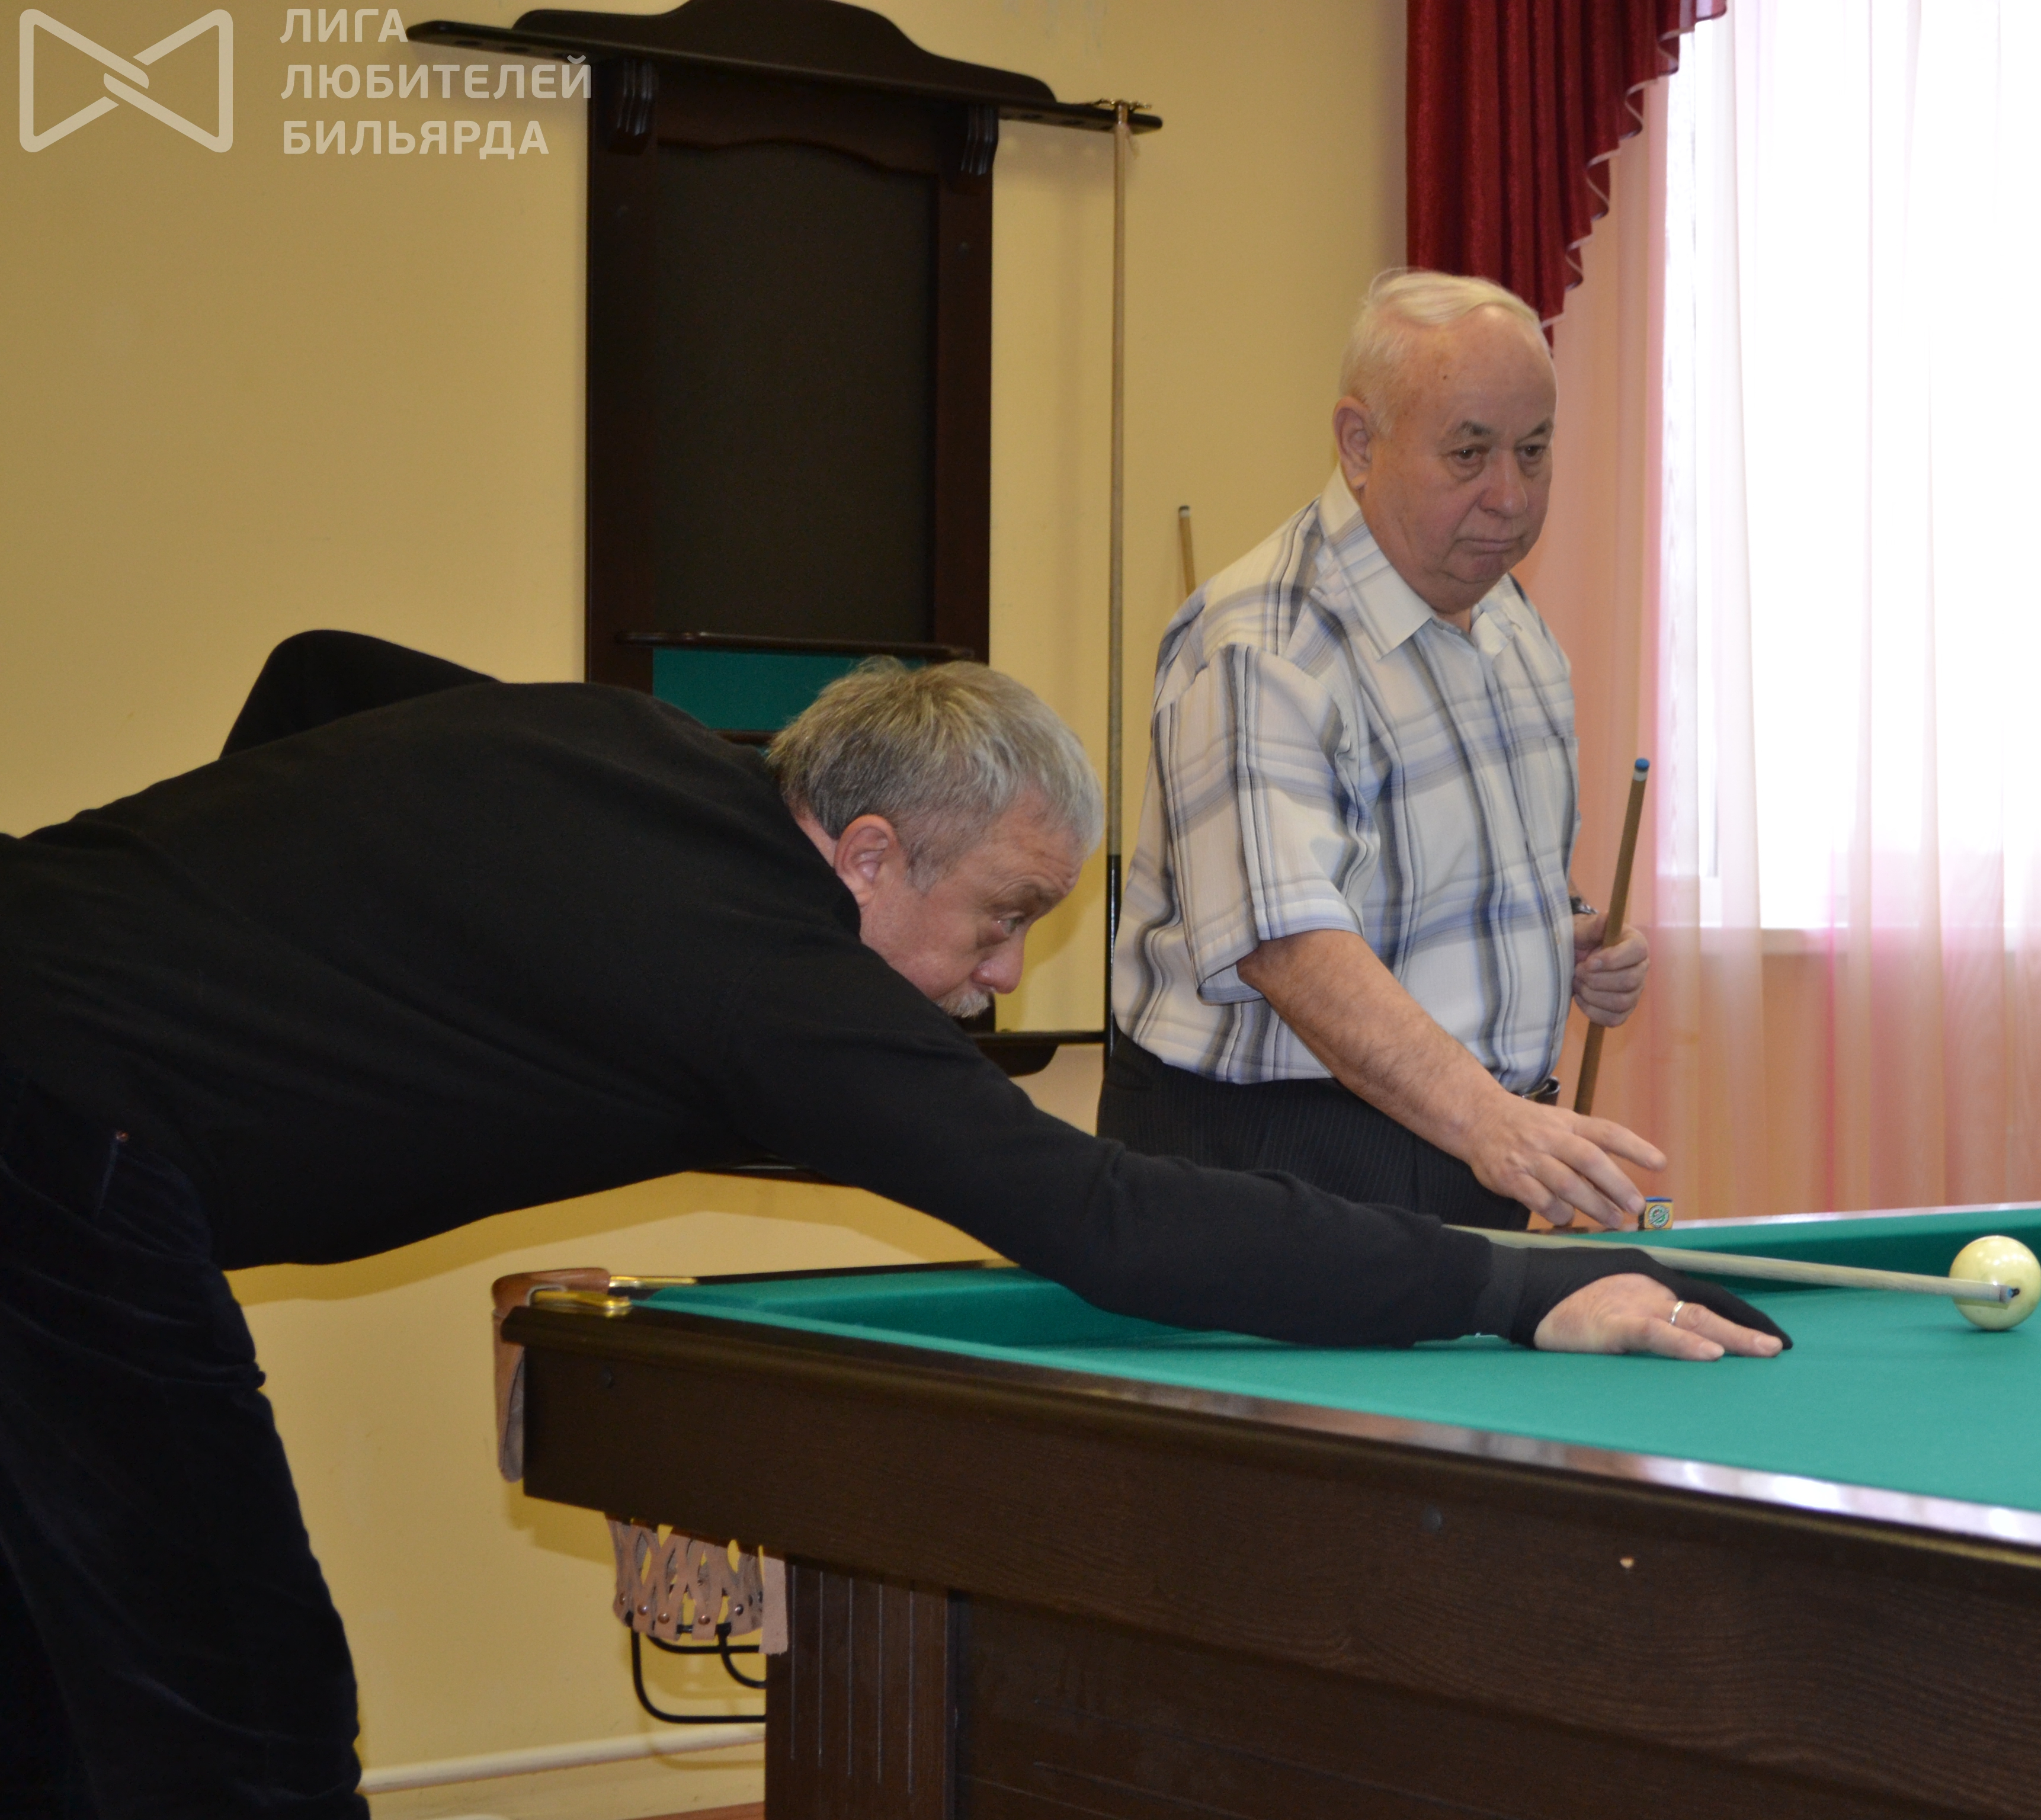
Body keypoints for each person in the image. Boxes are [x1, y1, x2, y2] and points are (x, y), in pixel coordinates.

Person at [0, 631, 1784, 1818]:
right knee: (236, 1715)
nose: (1002, 975)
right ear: (863, 849)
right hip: (57, 1129)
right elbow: (1101, 1217)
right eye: (1001, 917)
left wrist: (260, 943)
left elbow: (321, 674)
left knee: (54, 1680)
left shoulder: (628, 744)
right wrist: (1511, 1284)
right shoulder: (771, 987)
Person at [1104, 268, 1655, 1232]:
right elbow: (1291, 947)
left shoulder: (1513, 623)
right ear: (1359, 444)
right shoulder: (1265, 639)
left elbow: (1427, 878)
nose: (1510, 496)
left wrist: (1550, 939)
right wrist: (1493, 1120)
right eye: (1470, 453)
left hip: (1462, 1138)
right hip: (1276, 1162)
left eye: (1533, 451)